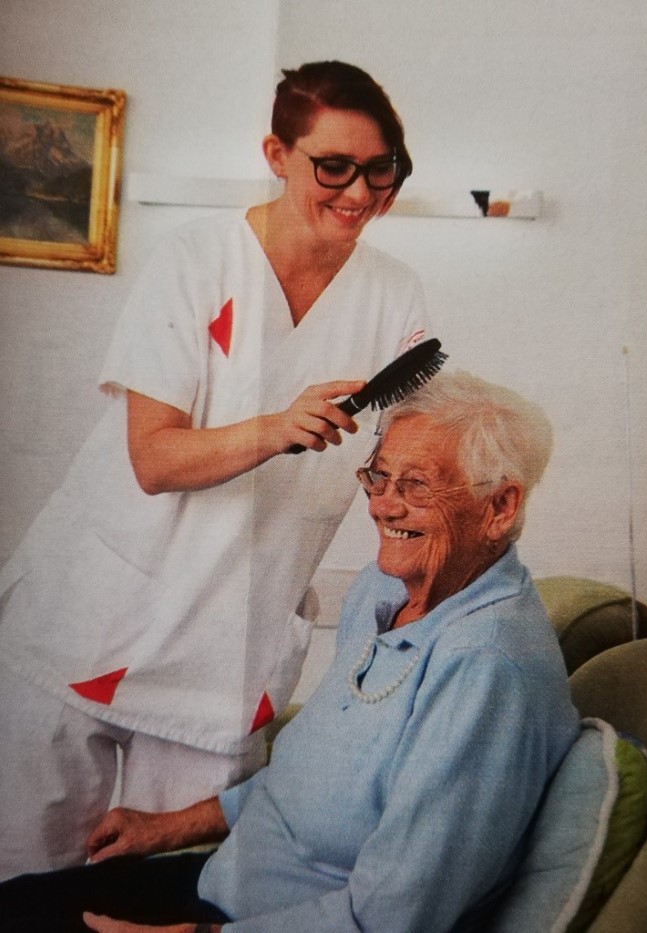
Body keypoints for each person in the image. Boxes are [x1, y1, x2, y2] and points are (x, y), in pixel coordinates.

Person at [0, 60, 429, 879]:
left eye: (381, 170)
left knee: (179, 885)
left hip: (230, 641)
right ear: (276, 154)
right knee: (25, 872)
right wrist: (274, 427)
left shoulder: (395, 295)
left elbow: (411, 440)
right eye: (333, 166)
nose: (359, 192)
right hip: (95, 615)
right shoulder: (196, 260)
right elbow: (153, 456)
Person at [0, 372, 581, 933]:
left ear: (500, 507)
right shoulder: (383, 590)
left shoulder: (486, 670)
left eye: (416, 486)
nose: (383, 507)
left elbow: (393, 918)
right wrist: (172, 827)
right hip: (228, 878)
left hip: (272, 919)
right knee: (15, 903)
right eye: (379, 478)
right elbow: (314, 778)